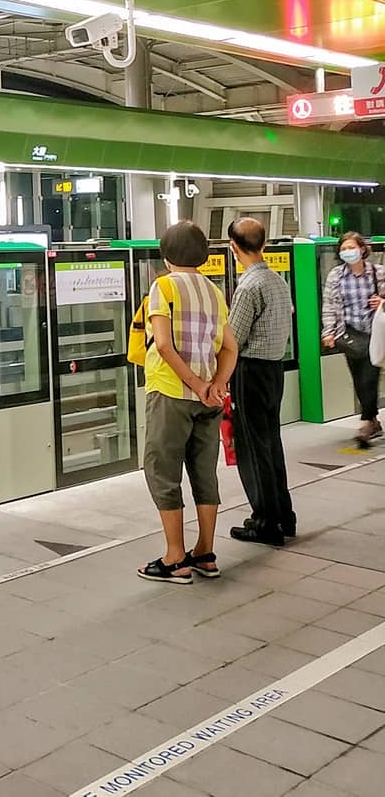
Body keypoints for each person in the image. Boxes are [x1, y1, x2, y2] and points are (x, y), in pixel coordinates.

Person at [138, 220, 238, 584]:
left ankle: (175, 557)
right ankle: (205, 552)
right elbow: (231, 346)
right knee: (203, 470)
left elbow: (163, 345)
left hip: (171, 392)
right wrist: (216, 385)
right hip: (209, 398)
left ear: (166, 257)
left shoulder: (162, 286)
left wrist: (196, 384)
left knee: (162, 471)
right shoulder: (214, 291)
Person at [226, 218, 296, 546]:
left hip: (250, 372)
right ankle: (284, 515)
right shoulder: (278, 282)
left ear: (234, 247)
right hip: (274, 370)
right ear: (264, 244)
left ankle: (264, 522)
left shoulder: (248, 287)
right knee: (271, 442)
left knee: (253, 447)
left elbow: (233, 339)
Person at [321, 231, 384, 448]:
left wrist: (382, 301)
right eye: (344, 249)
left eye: (352, 247)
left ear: (363, 249)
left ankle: (366, 421)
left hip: (374, 333)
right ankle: (373, 420)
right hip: (348, 334)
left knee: (369, 376)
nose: (348, 252)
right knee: (359, 378)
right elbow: (329, 305)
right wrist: (328, 332)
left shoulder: (378, 273)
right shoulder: (336, 276)